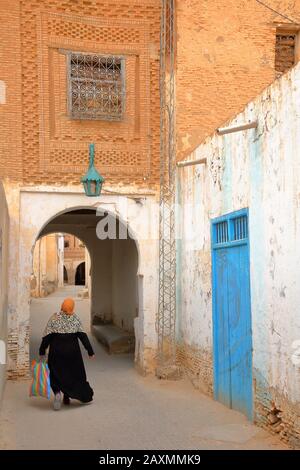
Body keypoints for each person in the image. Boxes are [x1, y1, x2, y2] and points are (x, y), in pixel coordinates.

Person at [39, 297, 95, 410]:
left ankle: (58, 394)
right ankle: (67, 396)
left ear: (62, 306)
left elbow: (47, 337)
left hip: (56, 353)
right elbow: (83, 336)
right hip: (72, 354)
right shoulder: (75, 319)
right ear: (72, 308)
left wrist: (42, 350)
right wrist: (90, 351)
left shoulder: (54, 319)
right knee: (72, 375)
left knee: (56, 374)